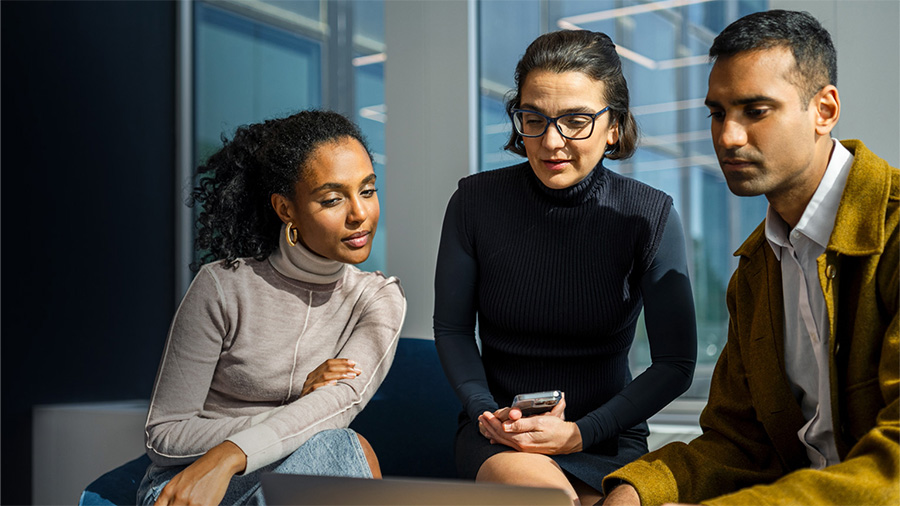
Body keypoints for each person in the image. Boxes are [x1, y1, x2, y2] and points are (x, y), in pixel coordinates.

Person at [602, 9, 898, 506]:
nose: (728, 137)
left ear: (824, 110)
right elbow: (738, 442)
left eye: (756, 110)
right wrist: (636, 491)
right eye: (718, 113)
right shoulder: (757, 270)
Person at [433, 30, 698, 505]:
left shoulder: (648, 215)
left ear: (613, 126)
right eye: (533, 119)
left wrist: (579, 433)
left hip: (606, 435)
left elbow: (675, 364)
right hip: (501, 433)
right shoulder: (474, 203)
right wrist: (485, 412)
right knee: (547, 500)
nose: (551, 141)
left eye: (576, 120)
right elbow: (452, 329)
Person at [138, 110, 407, 505]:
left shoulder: (378, 299)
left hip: (290, 476)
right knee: (335, 446)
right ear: (286, 209)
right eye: (333, 199)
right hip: (193, 481)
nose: (360, 214)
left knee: (338, 447)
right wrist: (297, 415)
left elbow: (338, 404)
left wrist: (233, 451)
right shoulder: (223, 286)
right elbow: (163, 434)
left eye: (367, 190)